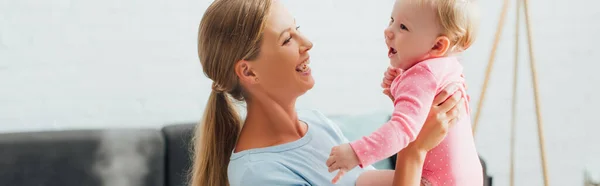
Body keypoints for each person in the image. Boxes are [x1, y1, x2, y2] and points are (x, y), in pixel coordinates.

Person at [189, 0, 466, 185]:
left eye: (297, 29)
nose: (307, 43)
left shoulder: (318, 126)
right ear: (248, 72)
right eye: (287, 38)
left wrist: (412, 115)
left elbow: (366, 181)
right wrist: (414, 149)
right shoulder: (259, 174)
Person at [327, 0, 482, 185]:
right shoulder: (449, 67)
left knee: (361, 181)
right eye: (391, 20)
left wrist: (356, 152)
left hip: (435, 181)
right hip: (468, 177)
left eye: (403, 27)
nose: (388, 31)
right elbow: (422, 115)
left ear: (437, 46)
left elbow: (401, 130)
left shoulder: (422, 74)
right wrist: (399, 83)